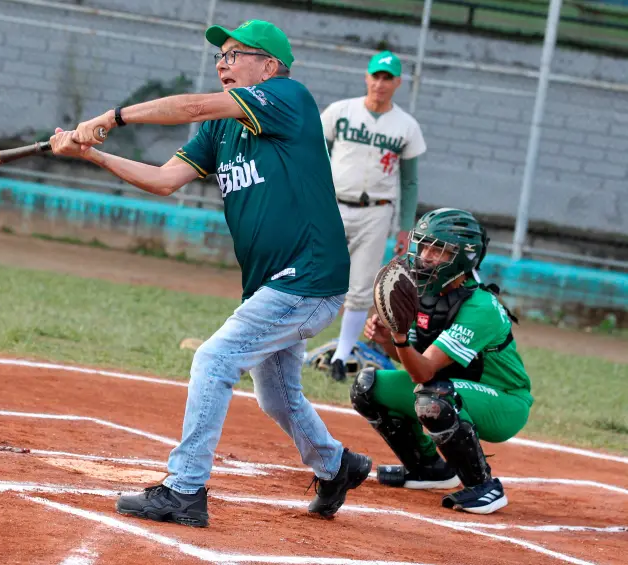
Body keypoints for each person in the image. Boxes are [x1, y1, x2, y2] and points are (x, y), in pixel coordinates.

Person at [48, 20, 372, 528]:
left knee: (214, 359)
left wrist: (112, 117)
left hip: (307, 277)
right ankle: (337, 466)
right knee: (276, 394)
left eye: (234, 54)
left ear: (268, 65)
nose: (222, 63)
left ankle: (184, 489)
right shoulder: (221, 130)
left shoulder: (289, 97)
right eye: (220, 56)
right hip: (273, 284)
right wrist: (91, 153)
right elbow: (164, 180)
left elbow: (194, 106)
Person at [352, 208, 533, 515]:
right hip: (451, 387)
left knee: (433, 398)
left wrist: (399, 337)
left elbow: (423, 372)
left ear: (463, 258)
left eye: (438, 250)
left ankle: (484, 487)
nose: (425, 256)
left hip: (504, 402)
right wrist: (388, 340)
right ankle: (428, 468)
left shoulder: (480, 307)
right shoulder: (424, 292)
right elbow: (417, 362)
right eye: (424, 246)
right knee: (367, 387)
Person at [320, 51, 427, 382]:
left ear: (398, 83)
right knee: (314, 273)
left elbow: (409, 181)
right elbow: (315, 155)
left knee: (362, 286)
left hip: (378, 211)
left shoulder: (406, 126)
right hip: (333, 204)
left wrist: (406, 228)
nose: (380, 83)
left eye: (387, 78)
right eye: (376, 76)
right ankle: (287, 344)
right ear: (366, 77)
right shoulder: (340, 112)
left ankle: (341, 356)